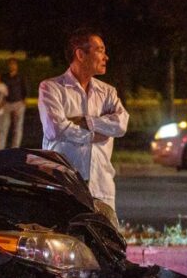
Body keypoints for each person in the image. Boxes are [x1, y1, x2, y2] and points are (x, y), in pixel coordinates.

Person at [38, 29, 129, 223]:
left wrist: (87, 121)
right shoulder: (51, 88)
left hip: (101, 185)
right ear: (80, 54)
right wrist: (95, 134)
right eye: (100, 50)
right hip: (64, 185)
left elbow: (121, 124)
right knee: (63, 238)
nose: (106, 57)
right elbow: (55, 128)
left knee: (106, 238)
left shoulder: (107, 92)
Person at [0, 57, 28, 148]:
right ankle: (1, 147)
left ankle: (15, 147)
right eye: (10, 64)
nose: (12, 66)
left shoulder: (21, 77)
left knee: (18, 127)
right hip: (6, 103)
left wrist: (23, 100)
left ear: (17, 66)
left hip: (18, 103)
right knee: (4, 126)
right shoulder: (4, 77)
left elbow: (25, 89)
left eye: (14, 64)